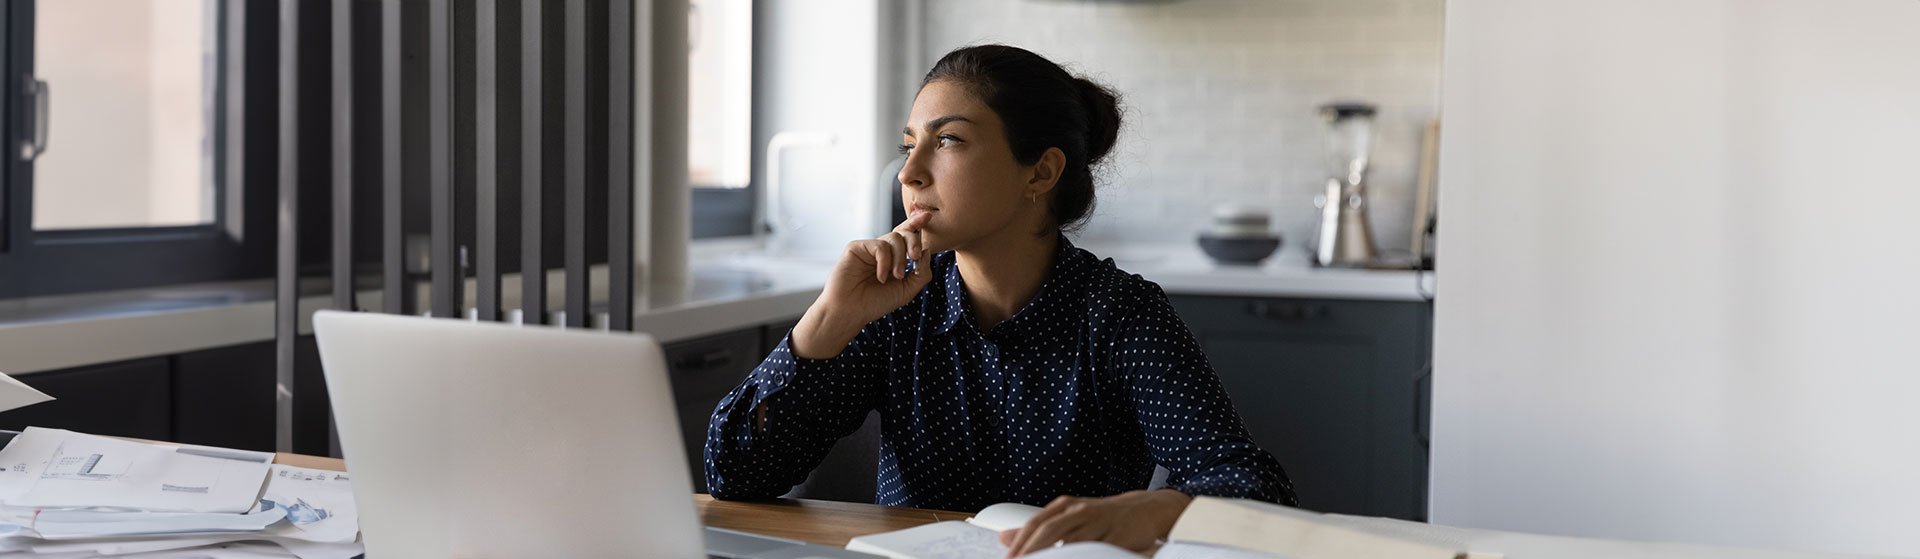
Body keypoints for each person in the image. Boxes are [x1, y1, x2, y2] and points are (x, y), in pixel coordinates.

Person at [705, 44, 1296, 556]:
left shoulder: (1121, 315)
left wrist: (1150, 510)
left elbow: (1254, 486)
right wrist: (827, 320)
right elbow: (734, 476)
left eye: (949, 140)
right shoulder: (892, 309)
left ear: (1040, 173)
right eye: (910, 144)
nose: (909, 172)